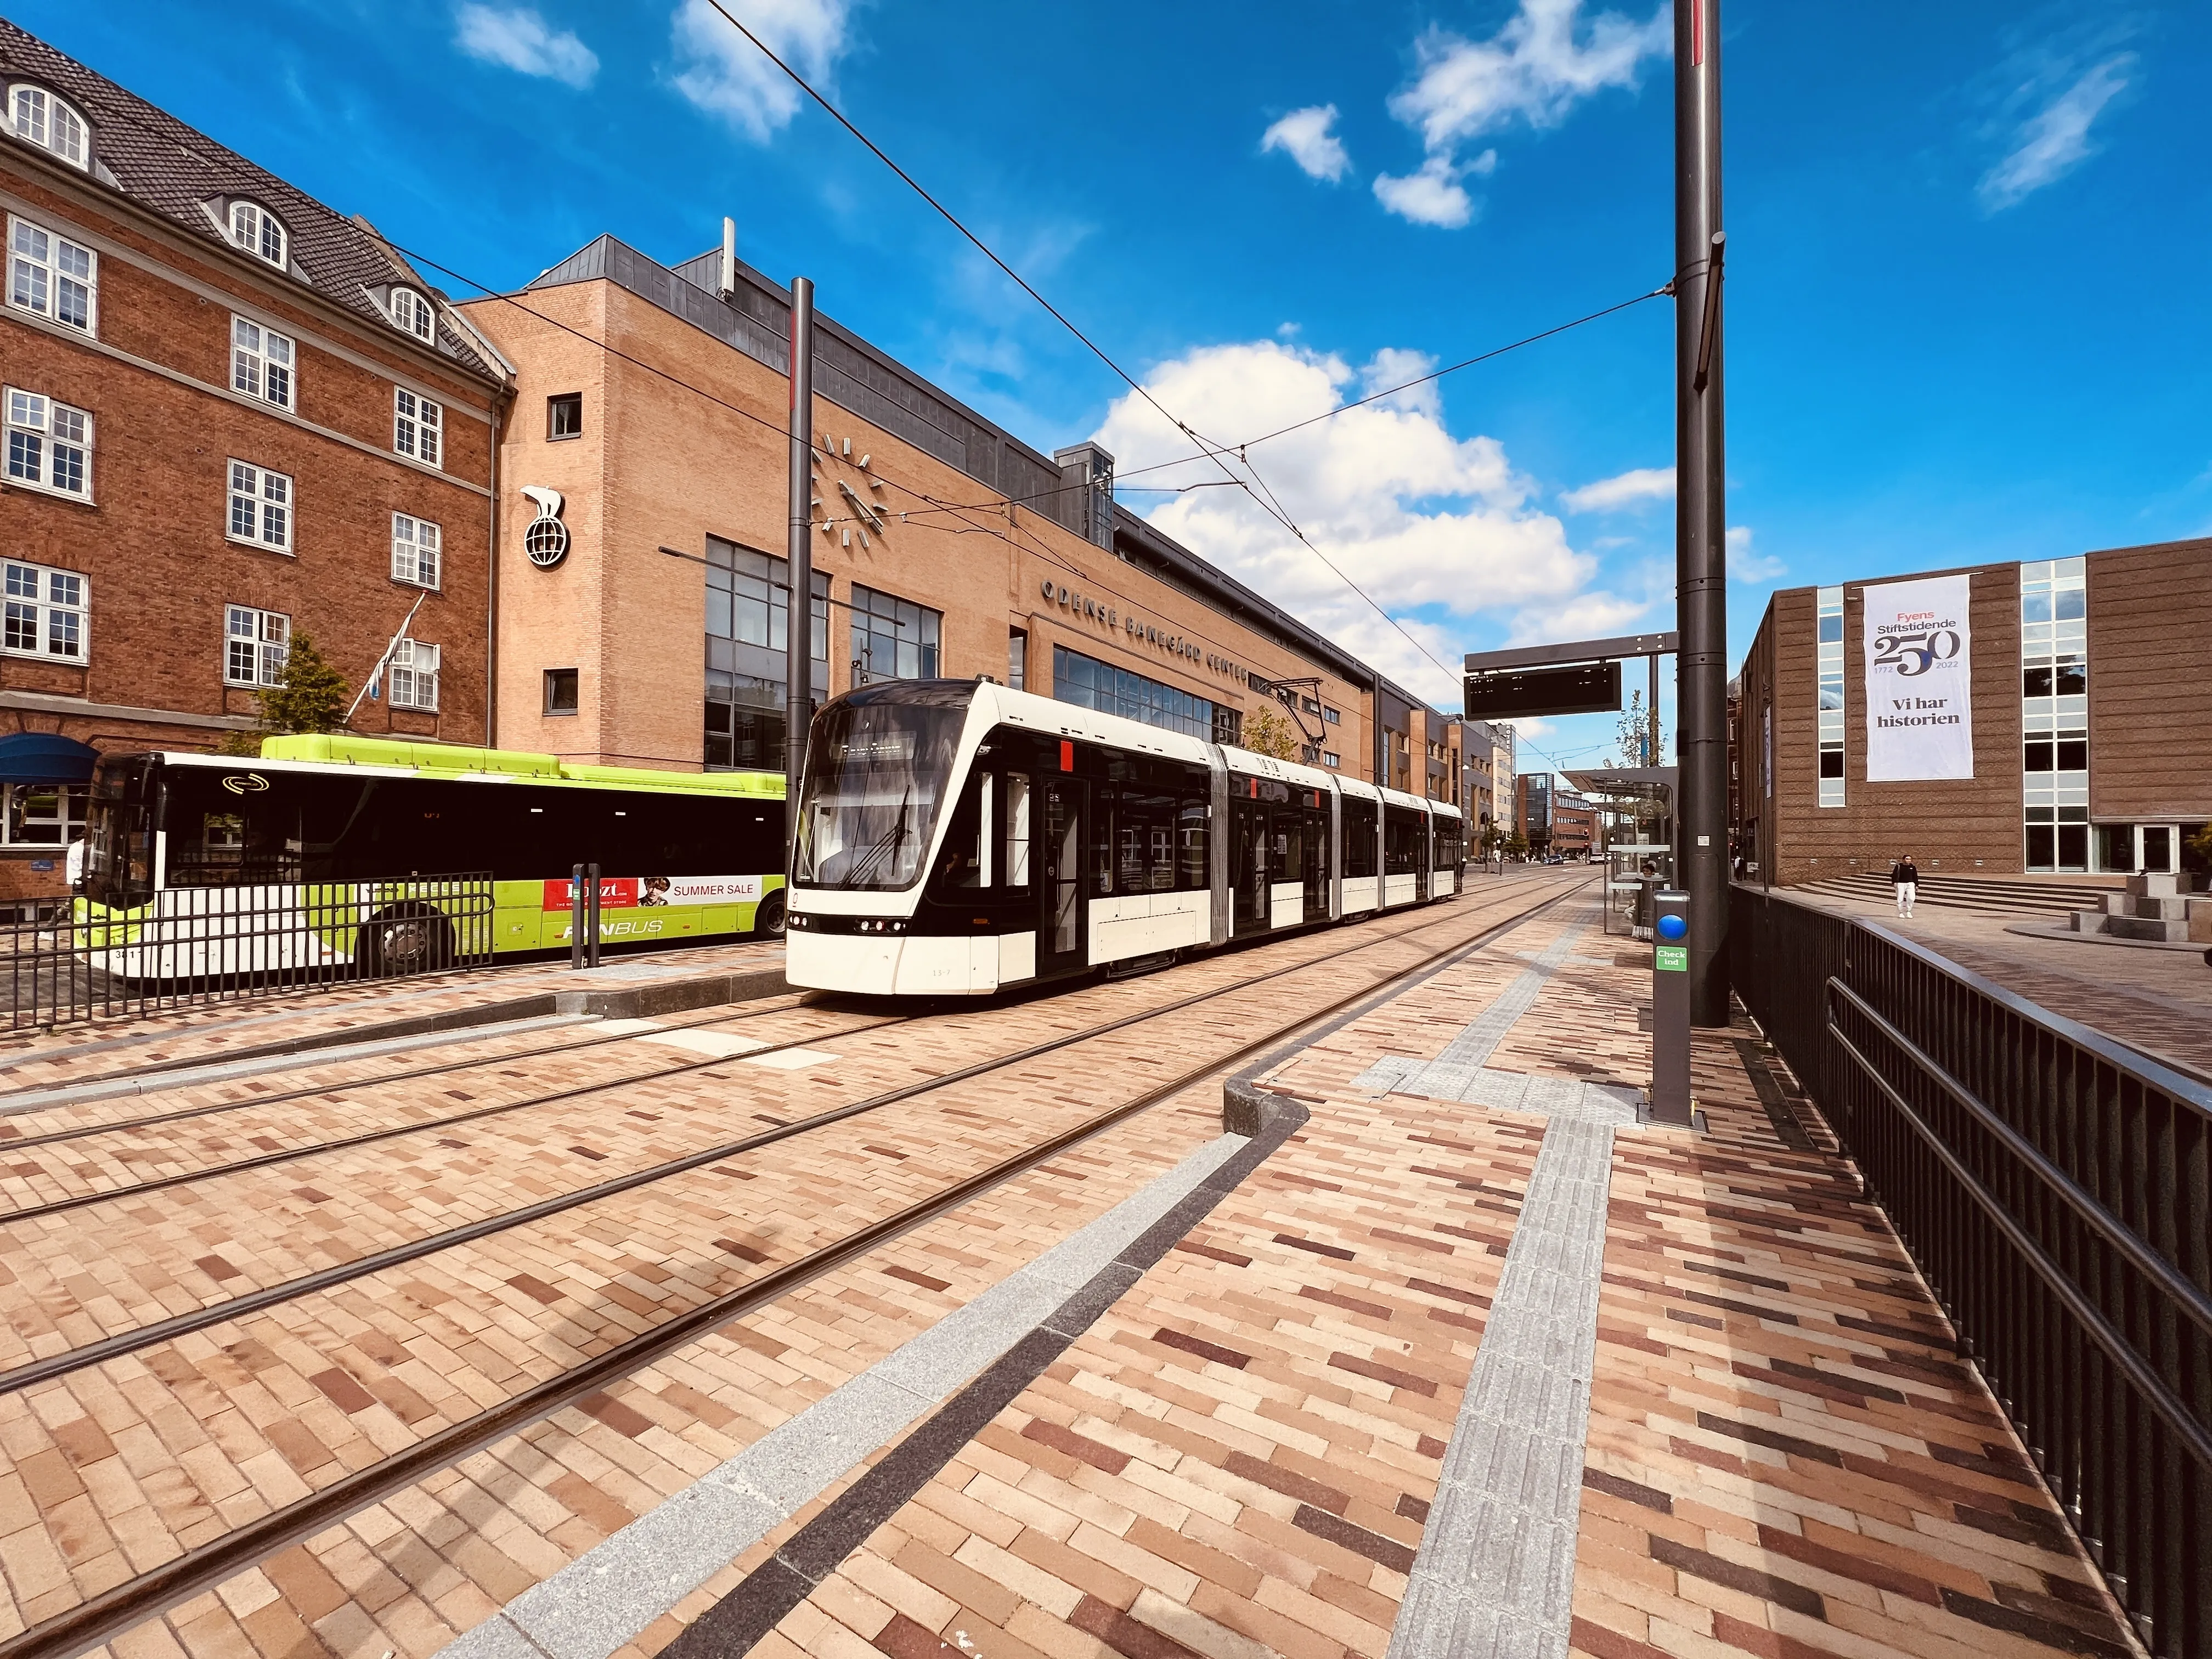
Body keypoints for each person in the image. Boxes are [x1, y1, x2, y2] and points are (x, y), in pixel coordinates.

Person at [1891, 853, 1920, 918]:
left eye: (1910, 859)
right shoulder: (1899, 866)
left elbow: (1915, 876)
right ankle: (1901, 912)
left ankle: (1909, 911)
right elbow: (1894, 875)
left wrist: (1917, 885)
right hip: (1901, 884)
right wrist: (1894, 882)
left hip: (1911, 883)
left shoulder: (1913, 867)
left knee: (1911, 898)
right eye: (1907, 859)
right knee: (1900, 898)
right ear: (1904, 860)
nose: (1909, 860)